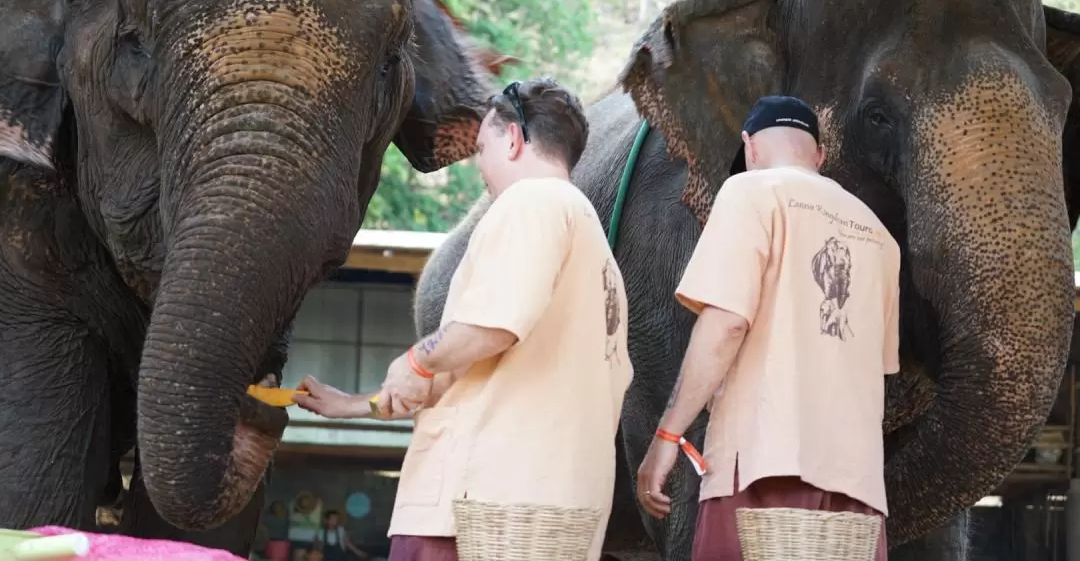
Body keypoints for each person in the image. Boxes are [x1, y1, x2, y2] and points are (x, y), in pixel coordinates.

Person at [296, 77, 633, 561]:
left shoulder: (531, 202)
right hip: (546, 514)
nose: (481, 167)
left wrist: (415, 360)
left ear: (513, 139)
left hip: (477, 509)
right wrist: (353, 405)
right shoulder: (596, 253)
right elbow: (469, 366)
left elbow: (491, 326)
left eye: (482, 147)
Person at [635, 95, 900, 561]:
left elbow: (726, 325)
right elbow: (877, 368)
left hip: (762, 469)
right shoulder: (879, 235)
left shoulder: (749, 192)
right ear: (820, 155)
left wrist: (667, 437)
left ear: (749, 147)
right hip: (856, 488)